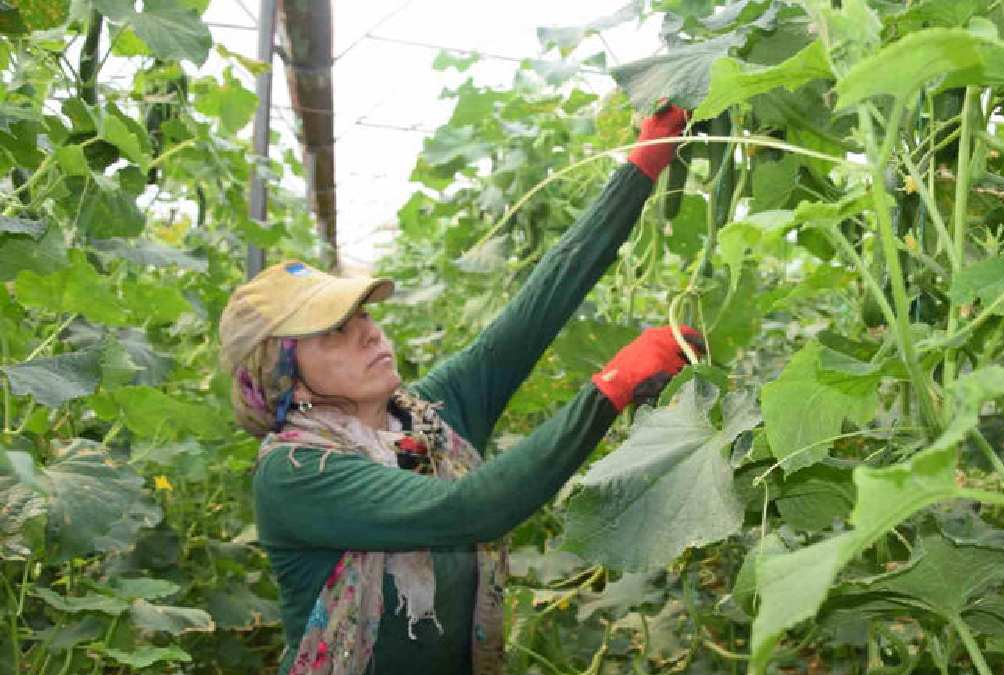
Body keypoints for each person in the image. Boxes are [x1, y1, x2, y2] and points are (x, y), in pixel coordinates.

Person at [217, 105, 696, 675]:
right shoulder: (294, 472)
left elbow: (537, 309)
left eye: (364, 315)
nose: (369, 331)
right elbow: (474, 507)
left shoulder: (425, 420)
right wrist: (611, 388)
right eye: (335, 332)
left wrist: (641, 164)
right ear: (284, 375)